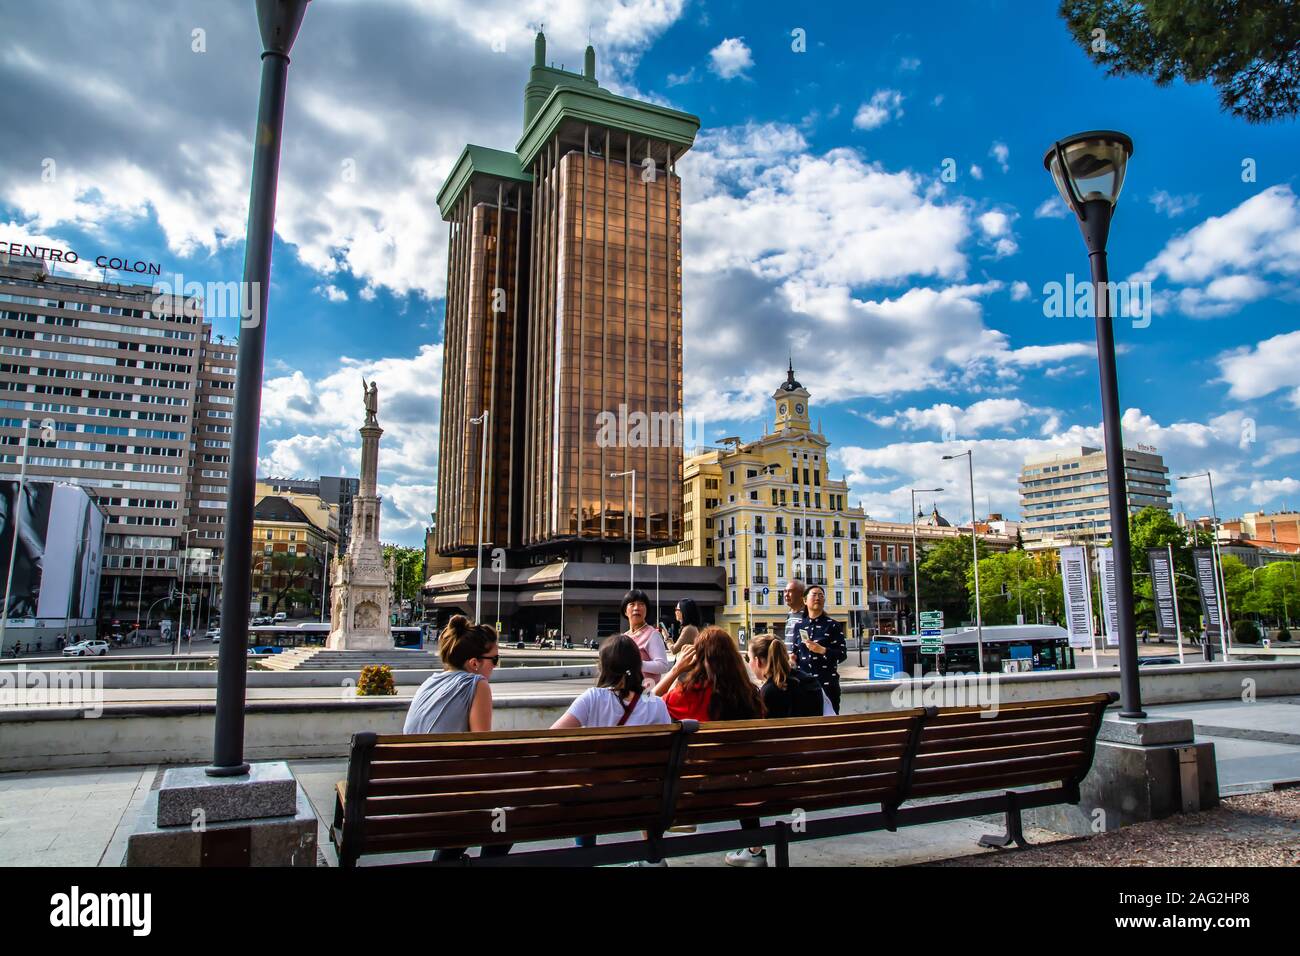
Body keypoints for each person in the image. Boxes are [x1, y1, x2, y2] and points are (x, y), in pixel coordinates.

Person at [402, 615, 509, 862]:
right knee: (504, 816)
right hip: (444, 800)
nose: (496, 665)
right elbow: (482, 750)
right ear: (474, 663)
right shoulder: (477, 684)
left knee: (484, 808)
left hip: (411, 794)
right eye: (495, 659)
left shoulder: (429, 682)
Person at [655, 626, 763, 722]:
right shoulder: (750, 695)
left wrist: (676, 669)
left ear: (699, 659)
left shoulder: (687, 694)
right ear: (734, 658)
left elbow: (648, 702)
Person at [792, 585, 848, 713]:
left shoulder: (833, 625)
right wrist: (792, 658)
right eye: (814, 595)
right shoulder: (799, 626)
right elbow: (796, 653)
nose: (818, 598)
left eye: (821, 595)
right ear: (805, 601)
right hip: (804, 686)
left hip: (827, 685)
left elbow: (842, 655)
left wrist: (822, 650)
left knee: (830, 724)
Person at [747, 634, 830, 719]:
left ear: (757, 661)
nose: (749, 663)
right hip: (815, 731)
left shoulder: (769, 691)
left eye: (749, 658)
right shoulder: (810, 681)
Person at [621, 589, 670, 691]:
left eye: (641, 604)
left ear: (646, 610)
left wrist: (637, 664)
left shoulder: (652, 634)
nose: (636, 608)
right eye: (632, 604)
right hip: (627, 692)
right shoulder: (624, 637)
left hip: (646, 694)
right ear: (625, 611)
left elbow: (663, 666)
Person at [783, 579, 809, 651]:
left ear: (802, 594)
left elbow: (806, 642)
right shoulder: (790, 613)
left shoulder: (808, 614)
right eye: (785, 591)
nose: (786, 595)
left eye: (790, 591)